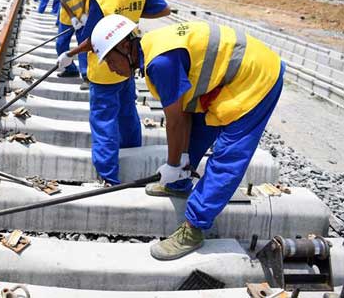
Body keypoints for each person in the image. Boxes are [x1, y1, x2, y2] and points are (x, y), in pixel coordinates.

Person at [91, 14, 285, 260]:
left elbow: (176, 121)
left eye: (109, 59)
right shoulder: (152, 49)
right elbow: (185, 117)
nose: (110, 67)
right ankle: (180, 183)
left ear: (125, 46)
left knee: (228, 156)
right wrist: (177, 167)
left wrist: (173, 164)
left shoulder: (160, 63)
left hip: (257, 78)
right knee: (199, 127)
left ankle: (194, 228)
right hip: (225, 81)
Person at [59, 0, 170, 185]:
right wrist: (130, 19)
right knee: (127, 113)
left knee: (104, 121)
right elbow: (164, 10)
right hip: (128, 65)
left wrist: (69, 54)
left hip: (104, 69)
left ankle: (109, 176)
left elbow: (91, 41)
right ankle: (133, 158)